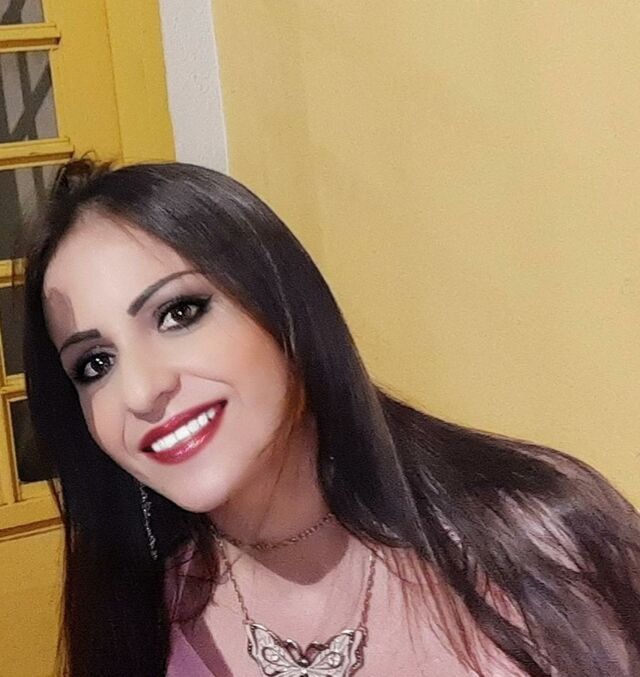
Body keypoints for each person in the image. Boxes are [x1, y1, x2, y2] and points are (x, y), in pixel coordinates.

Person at [22, 159, 640, 677]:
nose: (140, 391)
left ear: (282, 304)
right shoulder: (138, 623)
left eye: (179, 313)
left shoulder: (535, 539)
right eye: (95, 363)